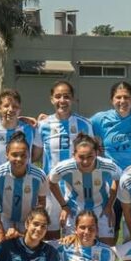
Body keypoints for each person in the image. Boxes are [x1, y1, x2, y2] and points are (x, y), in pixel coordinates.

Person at [37, 80, 94, 225]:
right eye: (58, 96)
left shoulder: (84, 124)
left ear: (73, 99)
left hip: (76, 189)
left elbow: (93, 156)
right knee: (51, 236)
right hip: (50, 188)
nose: (62, 100)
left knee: (76, 236)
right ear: (52, 99)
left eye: (66, 96)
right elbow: (34, 156)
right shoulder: (42, 125)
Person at [48, 134, 120, 243]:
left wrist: (110, 205)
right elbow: (51, 181)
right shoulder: (64, 167)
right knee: (71, 246)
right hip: (74, 207)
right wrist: (64, 206)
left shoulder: (108, 165)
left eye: (90, 156)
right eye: (81, 157)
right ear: (74, 155)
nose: (86, 161)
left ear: (96, 153)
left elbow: (118, 179)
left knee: (106, 247)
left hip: (101, 206)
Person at [0, 131, 48, 242]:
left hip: (27, 219)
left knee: (28, 253)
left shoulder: (39, 176)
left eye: (23, 155)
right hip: (3, 218)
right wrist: (0, 230)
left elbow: (42, 203)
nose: (19, 159)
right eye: (14, 155)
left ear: (28, 155)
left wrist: (29, 228)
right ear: (7, 154)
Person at [0, 88, 41, 173]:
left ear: (20, 110)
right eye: (6, 106)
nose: (11, 109)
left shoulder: (31, 129)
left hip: (24, 182)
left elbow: (36, 155)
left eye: (15, 106)